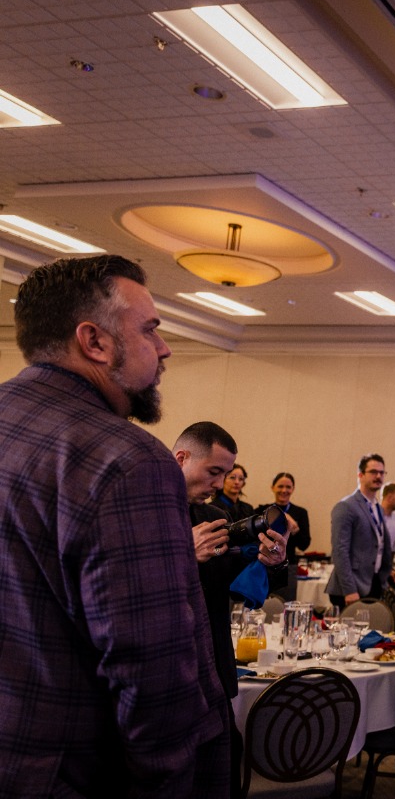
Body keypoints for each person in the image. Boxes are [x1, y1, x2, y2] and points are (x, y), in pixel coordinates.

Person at [0, 255, 228, 795]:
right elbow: (151, 668)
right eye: (150, 329)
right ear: (94, 342)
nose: (164, 348)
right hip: (78, 774)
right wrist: (170, 778)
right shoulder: (128, 461)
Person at [174, 421, 288, 796]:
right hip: (168, 672)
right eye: (214, 472)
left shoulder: (213, 519)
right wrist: (184, 554)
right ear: (181, 458)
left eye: (225, 474)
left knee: (223, 770)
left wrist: (274, 562)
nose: (221, 484)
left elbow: (242, 583)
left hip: (214, 667)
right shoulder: (146, 514)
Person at [328, 453, 393, 609]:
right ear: (360, 475)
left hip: (373, 582)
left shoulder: (377, 507)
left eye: (382, 472)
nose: (378, 476)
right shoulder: (346, 506)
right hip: (352, 587)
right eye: (373, 472)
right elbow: (340, 551)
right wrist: (349, 590)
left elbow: (378, 544)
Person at [257, 471, 311, 562]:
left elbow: (304, 546)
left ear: (293, 489)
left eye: (288, 487)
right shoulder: (262, 511)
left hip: (290, 563)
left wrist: (295, 529)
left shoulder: (301, 512)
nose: (284, 490)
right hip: (265, 561)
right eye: (280, 486)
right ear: (273, 487)